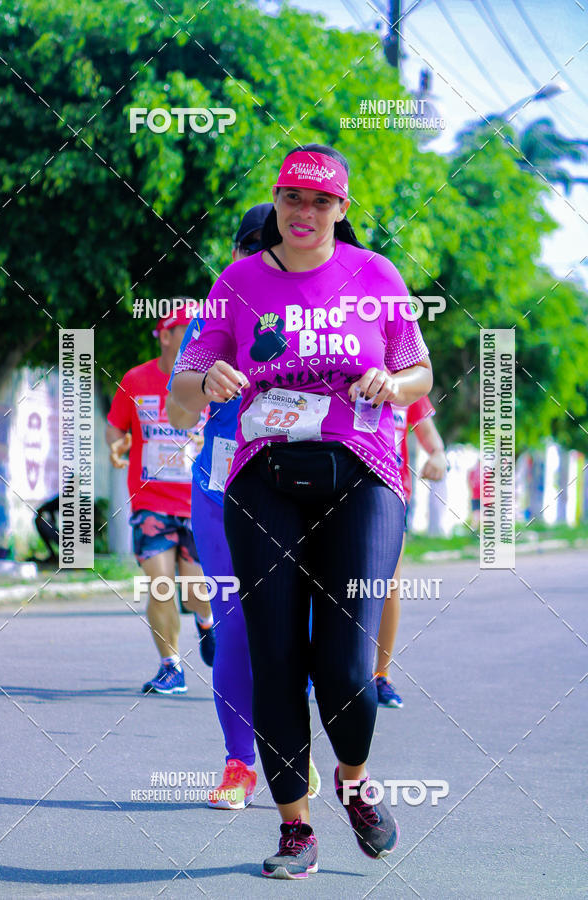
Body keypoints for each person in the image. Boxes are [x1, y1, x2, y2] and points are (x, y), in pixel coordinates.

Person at [171, 143, 432, 878]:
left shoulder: (376, 275)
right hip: (265, 477)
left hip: (363, 472)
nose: (305, 213)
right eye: (293, 198)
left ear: (342, 210)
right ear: (277, 203)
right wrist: (209, 379)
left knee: (347, 662)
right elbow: (182, 392)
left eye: (322, 201)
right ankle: (294, 827)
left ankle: (352, 783)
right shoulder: (238, 282)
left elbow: (420, 370)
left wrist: (394, 381)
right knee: (274, 653)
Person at [167, 204, 321, 809]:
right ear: (235, 252)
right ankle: (239, 762)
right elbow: (179, 412)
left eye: (272, 243)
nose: (262, 253)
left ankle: (290, 752)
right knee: (234, 630)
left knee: (299, 633)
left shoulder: (319, 311)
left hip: (303, 491)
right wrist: (203, 386)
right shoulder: (213, 315)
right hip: (222, 492)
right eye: (250, 244)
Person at [106, 306, 215, 695]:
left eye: (195, 329)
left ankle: (205, 622)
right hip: (151, 501)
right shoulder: (136, 379)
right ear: (165, 335)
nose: (191, 335)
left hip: (198, 500)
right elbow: (116, 428)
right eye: (183, 329)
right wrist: (117, 446)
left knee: (195, 589)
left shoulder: (211, 379)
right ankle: (171, 666)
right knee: (160, 583)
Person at [374, 400, 447, 708]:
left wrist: (438, 456)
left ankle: (381, 675)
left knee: (388, 585)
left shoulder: (409, 385)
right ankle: (313, 670)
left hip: (391, 492)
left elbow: (431, 438)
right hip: (340, 488)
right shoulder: (349, 362)